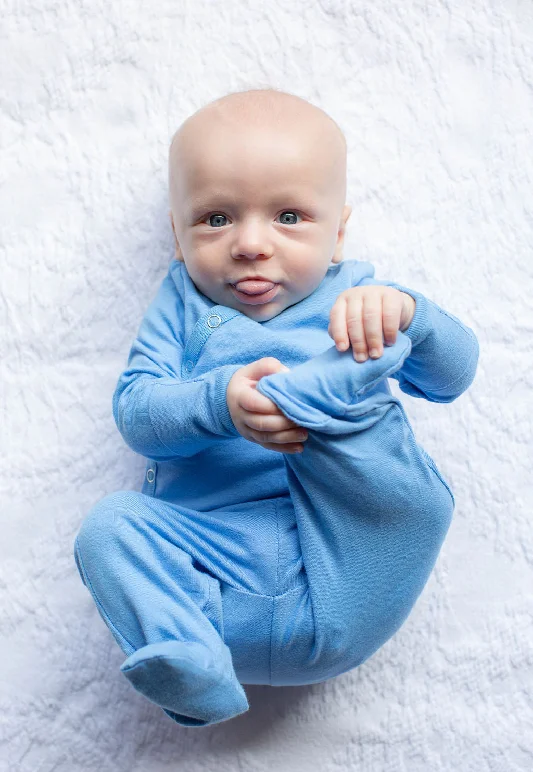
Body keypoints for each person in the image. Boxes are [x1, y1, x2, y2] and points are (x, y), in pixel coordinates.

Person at [73, 88, 479, 728]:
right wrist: (218, 403)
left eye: (289, 216)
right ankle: (186, 665)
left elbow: (455, 377)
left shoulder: (359, 296)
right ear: (177, 237)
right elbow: (137, 414)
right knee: (109, 526)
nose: (252, 244)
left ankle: (324, 398)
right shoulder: (184, 305)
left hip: (350, 558)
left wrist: (411, 318)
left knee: (382, 461)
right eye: (215, 219)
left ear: (338, 231)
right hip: (216, 585)